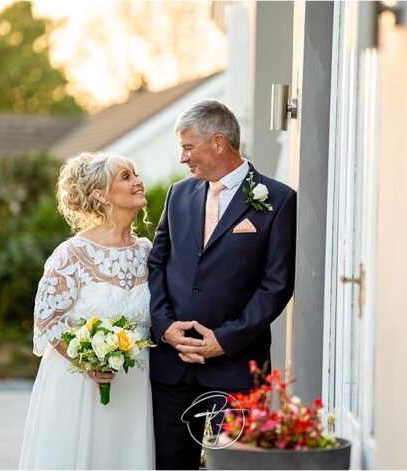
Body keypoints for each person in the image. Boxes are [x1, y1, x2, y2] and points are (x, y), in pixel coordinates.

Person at [148, 99, 297, 469]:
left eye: (187, 147)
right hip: (173, 369)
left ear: (218, 142)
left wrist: (224, 340)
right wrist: (165, 328)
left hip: (235, 371)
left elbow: (276, 285)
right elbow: (156, 264)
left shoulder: (278, 200)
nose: (183, 158)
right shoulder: (178, 194)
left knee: (234, 466)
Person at [19, 152, 155, 470]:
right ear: (100, 195)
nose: (138, 181)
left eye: (136, 173)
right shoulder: (72, 254)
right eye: (126, 176)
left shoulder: (148, 251)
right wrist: (88, 362)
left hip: (134, 385)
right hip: (80, 386)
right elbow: (48, 321)